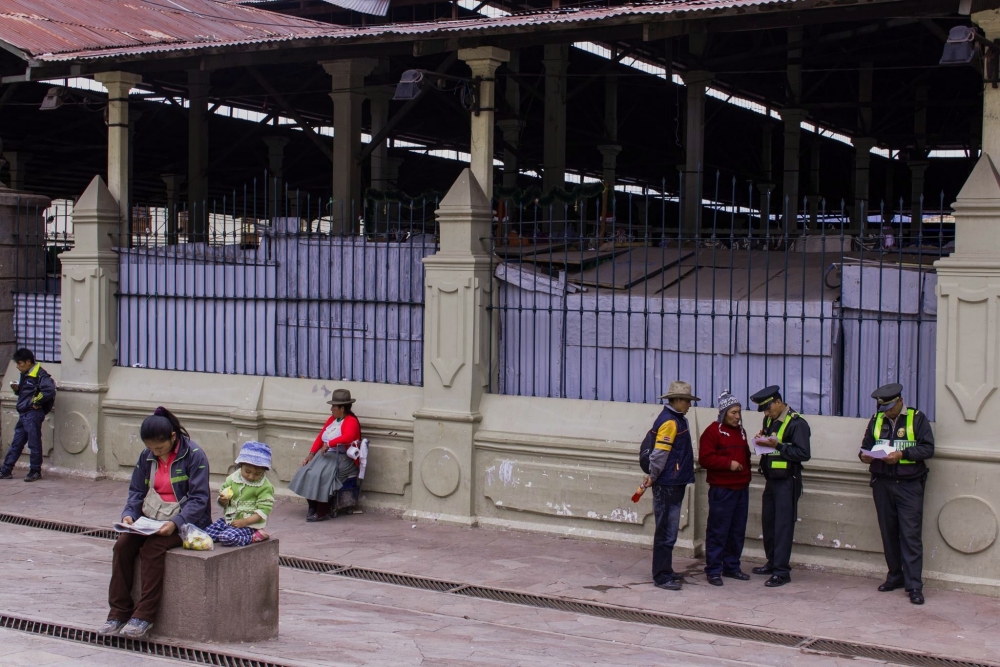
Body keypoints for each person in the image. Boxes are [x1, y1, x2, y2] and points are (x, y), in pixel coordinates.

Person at [100, 407, 211, 639]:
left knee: (152, 549)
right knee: (122, 546)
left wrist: (176, 522)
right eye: (151, 448)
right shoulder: (146, 456)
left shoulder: (194, 455)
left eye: (159, 448)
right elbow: (137, 491)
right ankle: (118, 613)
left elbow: (199, 498)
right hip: (150, 518)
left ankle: (144, 615)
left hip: (185, 522)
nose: (155, 453)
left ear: (173, 437)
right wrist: (129, 514)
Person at [859, 383, 934, 605]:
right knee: (888, 532)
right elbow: (865, 446)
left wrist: (902, 454)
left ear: (900, 401)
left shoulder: (917, 418)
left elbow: (928, 449)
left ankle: (914, 586)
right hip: (882, 483)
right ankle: (895, 576)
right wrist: (865, 457)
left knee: (910, 535)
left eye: (890, 407)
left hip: (909, 485)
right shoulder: (876, 420)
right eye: (883, 408)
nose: (887, 412)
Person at [749, 385, 811, 588]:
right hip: (771, 479)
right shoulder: (769, 420)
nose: (767, 413)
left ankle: (782, 571)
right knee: (769, 523)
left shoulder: (797, 423)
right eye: (765, 410)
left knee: (783, 526)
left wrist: (777, 446)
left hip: (787, 480)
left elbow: (803, 454)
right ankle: (772, 562)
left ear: (778, 402)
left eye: (769, 408)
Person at [642, 380, 698, 591]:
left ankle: (665, 569)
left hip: (673, 481)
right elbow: (659, 454)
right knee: (666, 530)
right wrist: (654, 476)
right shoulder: (671, 422)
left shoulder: (676, 419)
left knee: (668, 529)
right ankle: (661, 574)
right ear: (677, 401)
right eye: (687, 401)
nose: (690, 405)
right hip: (668, 483)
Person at [698, 390, 752, 586]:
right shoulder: (712, 432)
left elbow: (746, 456)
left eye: (739, 413)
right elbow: (705, 458)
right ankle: (713, 569)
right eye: (734, 413)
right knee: (718, 530)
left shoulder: (742, 432)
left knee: (737, 530)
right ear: (724, 413)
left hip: (741, 488)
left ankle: (732, 566)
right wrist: (728, 464)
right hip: (722, 490)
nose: (738, 417)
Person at [288, 388, 362, 522]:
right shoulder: (332, 419)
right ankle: (312, 505)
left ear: (342, 408)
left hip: (343, 458)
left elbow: (348, 437)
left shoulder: (351, 421)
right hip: (327, 455)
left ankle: (323, 509)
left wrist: (330, 444)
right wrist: (311, 454)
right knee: (308, 471)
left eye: (334, 406)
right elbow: (321, 436)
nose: (331, 409)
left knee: (322, 476)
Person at [0, 348, 56, 482]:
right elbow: (28, 393)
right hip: (24, 413)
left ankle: (35, 471)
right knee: (17, 443)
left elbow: (49, 390)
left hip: (32, 414)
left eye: (20, 363)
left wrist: (36, 401)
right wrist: (18, 390)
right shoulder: (27, 374)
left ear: (28, 362)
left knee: (34, 442)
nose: (18, 367)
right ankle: (6, 470)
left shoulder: (40, 375)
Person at [205, 441, 276, 547]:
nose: (251, 477)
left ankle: (254, 537)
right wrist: (223, 500)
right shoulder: (232, 479)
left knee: (227, 538)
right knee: (205, 534)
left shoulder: (265, 487)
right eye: (247, 471)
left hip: (250, 525)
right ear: (241, 465)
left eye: (257, 474)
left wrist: (245, 522)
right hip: (229, 520)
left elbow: (263, 511)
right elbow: (223, 498)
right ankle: (224, 533)